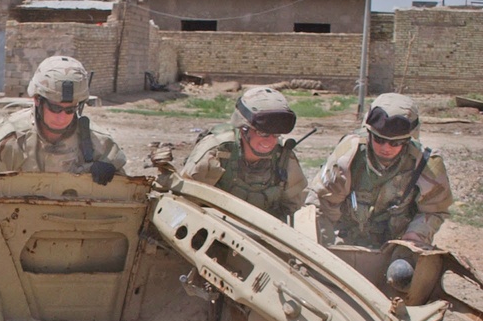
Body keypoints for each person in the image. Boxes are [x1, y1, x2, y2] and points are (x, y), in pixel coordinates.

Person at [305, 92, 453, 249]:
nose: (386, 148)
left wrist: (415, 236)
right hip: (346, 241)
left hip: (395, 246)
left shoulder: (426, 164)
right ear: (368, 133)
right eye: (379, 140)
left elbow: (434, 210)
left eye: (395, 143)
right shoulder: (348, 156)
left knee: (403, 272)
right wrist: (325, 248)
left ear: (409, 140)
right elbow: (322, 204)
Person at [0, 55, 125, 190]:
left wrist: (114, 176)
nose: (62, 117)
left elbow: (128, 194)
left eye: (70, 110)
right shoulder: (9, 139)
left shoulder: (98, 143)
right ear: (37, 100)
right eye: (55, 108)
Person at [179, 86, 306, 221]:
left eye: (276, 134)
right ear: (243, 128)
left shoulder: (283, 158)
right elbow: (185, 202)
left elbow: (293, 209)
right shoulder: (217, 153)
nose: (270, 141)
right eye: (262, 133)